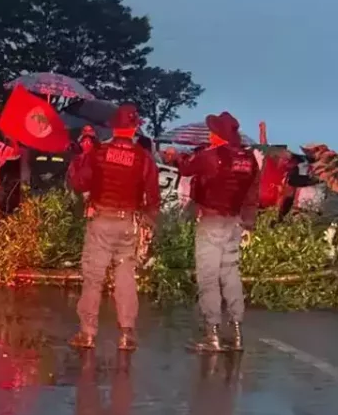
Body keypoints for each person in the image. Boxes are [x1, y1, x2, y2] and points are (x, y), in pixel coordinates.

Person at [67, 104, 160, 351]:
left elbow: (78, 182)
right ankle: (127, 333)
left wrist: (79, 161)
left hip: (102, 220)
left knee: (94, 277)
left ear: (113, 127)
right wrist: (149, 224)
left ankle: (87, 333)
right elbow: (153, 196)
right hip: (128, 222)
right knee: (125, 275)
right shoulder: (144, 158)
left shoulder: (99, 153)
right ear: (134, 128)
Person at [174, 112, 260, 352]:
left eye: (212, 131)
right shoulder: (249, 160)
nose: (209, 134)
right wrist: (249, 225)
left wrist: (178, 157)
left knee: (209, 278)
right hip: (234, 222)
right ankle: (237, 331)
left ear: (218, 135)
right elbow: (252, 196)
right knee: (231, 275)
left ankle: (212, 334)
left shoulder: (210, 157)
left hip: (211, 221)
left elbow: (186, 169)